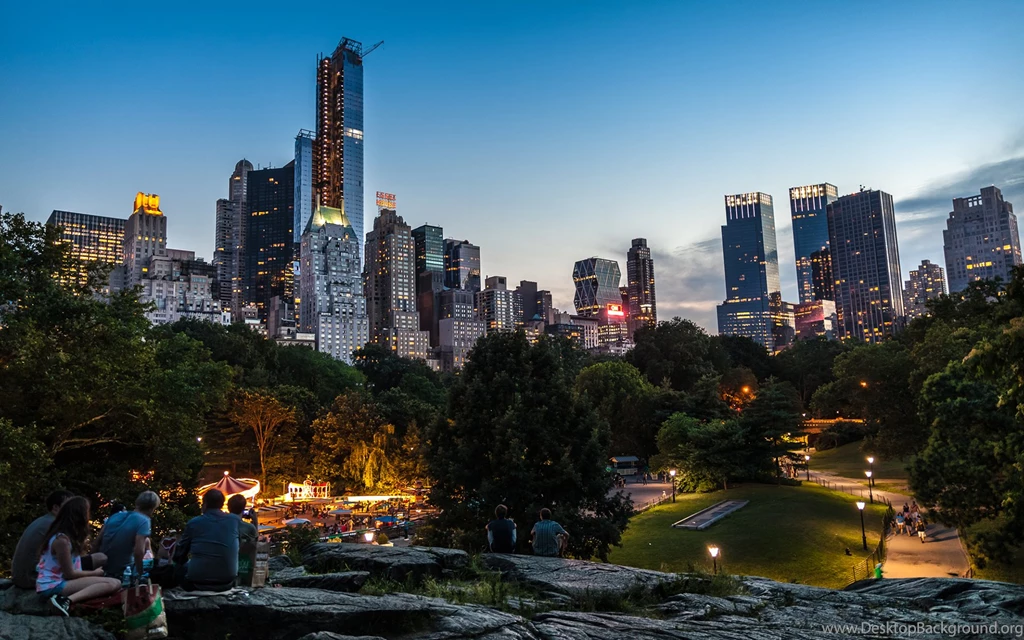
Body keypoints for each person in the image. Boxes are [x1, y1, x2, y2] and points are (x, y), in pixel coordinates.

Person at [36, 497, 121, 616]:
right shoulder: (62, 541)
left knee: (116, 582)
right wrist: (95, 573)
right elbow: (69, 574)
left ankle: (66, 599)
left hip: (60, 582)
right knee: (112, 584)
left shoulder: (66, 537)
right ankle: (65, 601)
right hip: (52, 585)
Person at [11, 490, 107, 590]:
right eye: (67, 504)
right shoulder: (56, 526)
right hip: (34, 577)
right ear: (55, 507)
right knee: (100, 558)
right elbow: (69, 565)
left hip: (22, 576)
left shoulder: (44, 521)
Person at [173, 489, 239, 591]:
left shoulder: (194, 523)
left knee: (178, 569)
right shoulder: (234, 520)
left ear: (205, 504)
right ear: (222, 504)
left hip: (197, 581)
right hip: (227, 581)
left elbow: (180, 555)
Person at [97, 490, 160, 582]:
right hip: (124, 571)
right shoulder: (144, 521)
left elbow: (96, 543)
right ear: (152, 508)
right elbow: (138, 552)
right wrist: (140, 573)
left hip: (103, 567)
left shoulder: (114, 516)